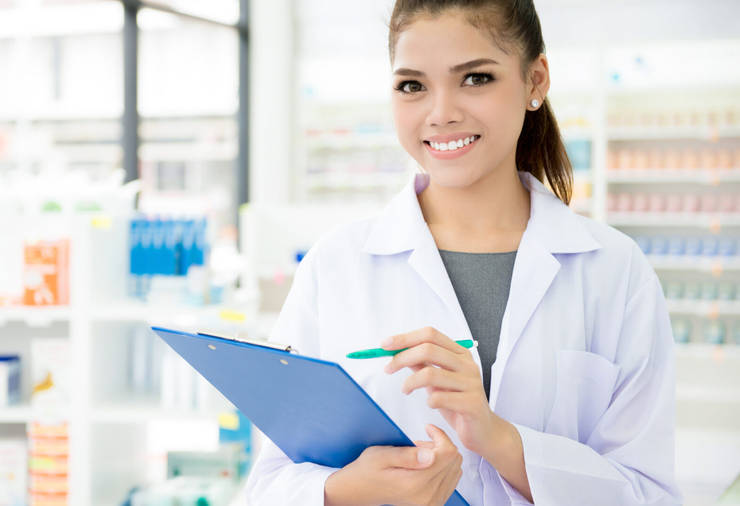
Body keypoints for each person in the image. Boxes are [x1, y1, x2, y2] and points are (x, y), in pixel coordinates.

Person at [245, 0, 683, 504]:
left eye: (475, 78)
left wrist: (495, 437)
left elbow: (649, 493)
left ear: (535, 81)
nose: (441, 112)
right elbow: (269, 482)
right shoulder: (336, 265)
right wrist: (344, 490)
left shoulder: (615, 270)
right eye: (413, 85)